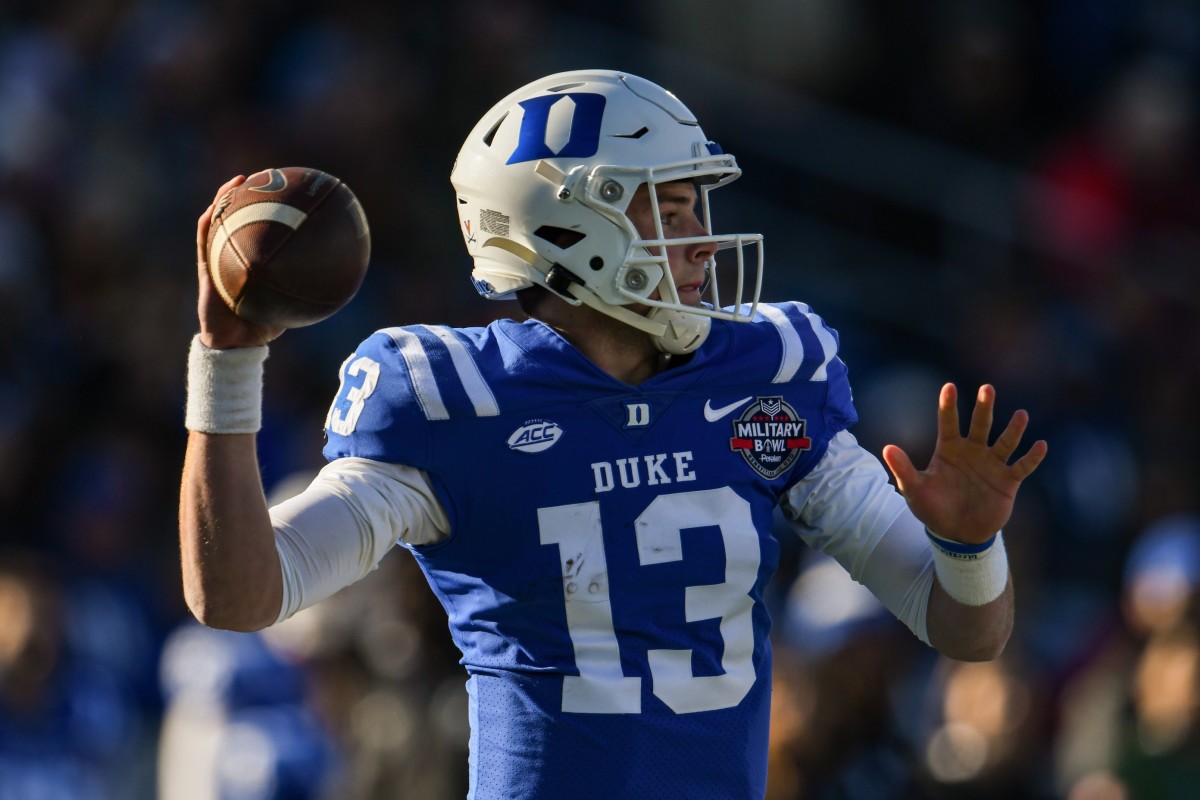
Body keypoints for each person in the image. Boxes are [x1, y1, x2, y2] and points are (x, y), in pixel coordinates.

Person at [179, 69, 1048, 799]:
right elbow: (244, 595)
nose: (703, 242)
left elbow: (967, 632)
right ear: (570, 226)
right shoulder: (449, 401)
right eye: (671, 209)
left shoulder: (766, 373)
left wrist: (968, 547)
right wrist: (228, 363)